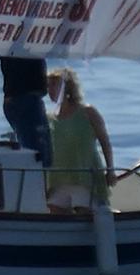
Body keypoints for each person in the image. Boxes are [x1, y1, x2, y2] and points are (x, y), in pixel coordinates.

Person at [44, 67, 114, 213]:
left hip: (85, 178)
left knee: (83, 210)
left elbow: (104, 141)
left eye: (54, 85)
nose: (49, 90)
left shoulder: (87, 112)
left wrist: (110, 169)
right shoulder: (48, 119)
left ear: (66, 87)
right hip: (59, 179)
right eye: (47, 85)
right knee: (54, 211)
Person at [0, 55, 51, 166]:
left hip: (15, 97)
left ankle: (33, 177)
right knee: (39, 156)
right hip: (25, 97)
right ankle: (36, 180)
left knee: (33, 149)